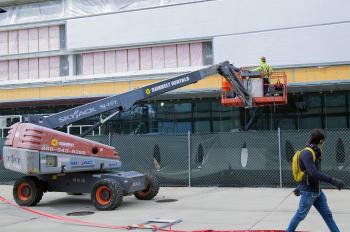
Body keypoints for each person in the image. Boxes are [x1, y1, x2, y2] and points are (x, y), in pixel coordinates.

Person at [286, 129, 345, 232]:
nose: (323, 145)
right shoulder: (307, 153)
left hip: (317, 191)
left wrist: (300, 186)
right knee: (300, 215)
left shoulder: (315, 152)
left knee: (328, 215)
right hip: (309, 192)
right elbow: (314, 173)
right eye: (323, 142)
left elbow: (309, 173)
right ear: (320, 141)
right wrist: (333, 181)